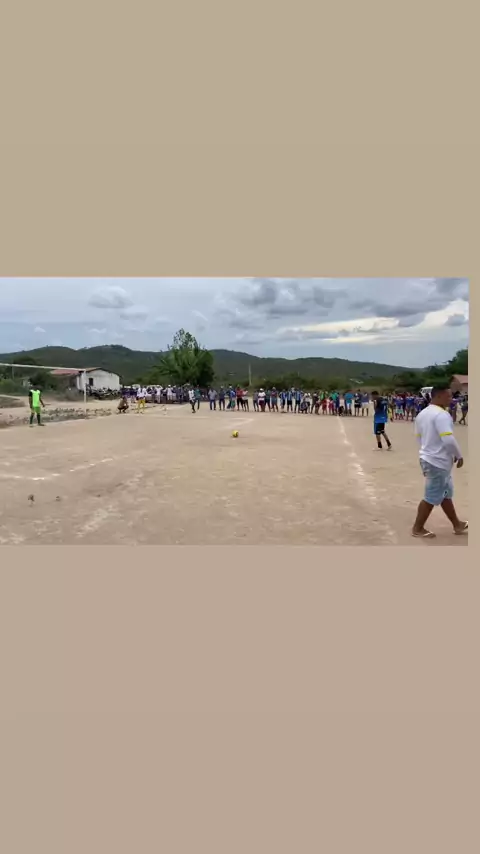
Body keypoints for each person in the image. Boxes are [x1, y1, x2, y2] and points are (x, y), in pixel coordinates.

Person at [412, 386, 468, 539]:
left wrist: (426, 452)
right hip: (438, 462)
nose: (451, 399)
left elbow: (418, 437)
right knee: (431, 496)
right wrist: (458, 455)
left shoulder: (422, 414)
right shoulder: (442, 414)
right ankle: (417, 528)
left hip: (429, 458)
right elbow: (448, 439)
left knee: (445, 493)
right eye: (448, 396)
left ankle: (457, 524)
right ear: (438, 396)